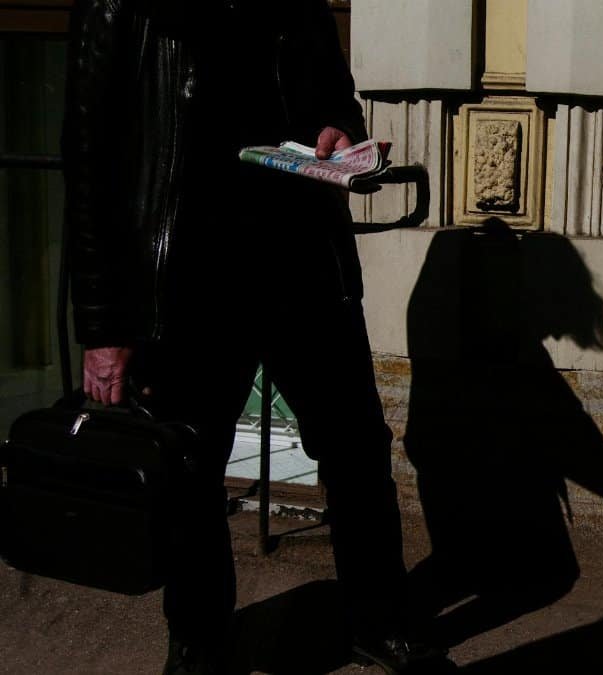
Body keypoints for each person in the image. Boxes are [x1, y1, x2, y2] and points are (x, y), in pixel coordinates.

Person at [63, 1, 448, 673]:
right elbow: (90, 160)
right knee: (190, 466)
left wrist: (340, 136)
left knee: (357, 449)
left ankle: (380, 622)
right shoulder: (119, 4)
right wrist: (102, 327)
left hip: (301, 261)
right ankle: (198, 640)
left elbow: (334, 95)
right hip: (188, 276)